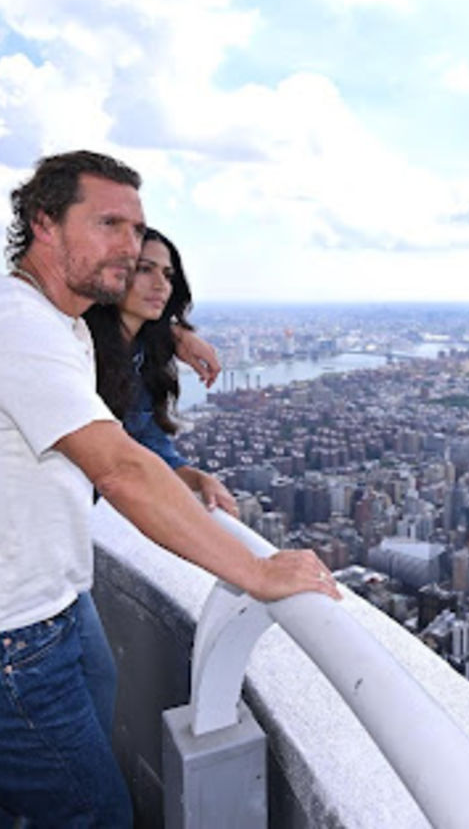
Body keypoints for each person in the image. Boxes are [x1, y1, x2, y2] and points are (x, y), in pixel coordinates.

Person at [0, 150, 340, 827]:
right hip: (17, 635)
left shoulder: (62, 320)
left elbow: (123, 364)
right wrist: (255, 570)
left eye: (137, 228)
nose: (128, 246)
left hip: (62, 601)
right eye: (109, 224)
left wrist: (175, 334)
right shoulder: (20, 324)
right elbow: (119, 467)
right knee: (94, 814)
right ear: (43, 222)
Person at [85, 228, 237, 515]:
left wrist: (201, 479)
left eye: (168, 275)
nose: (160, 285)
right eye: (144, 269)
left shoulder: (143, 359)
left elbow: (155, 453)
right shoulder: (76, 349)